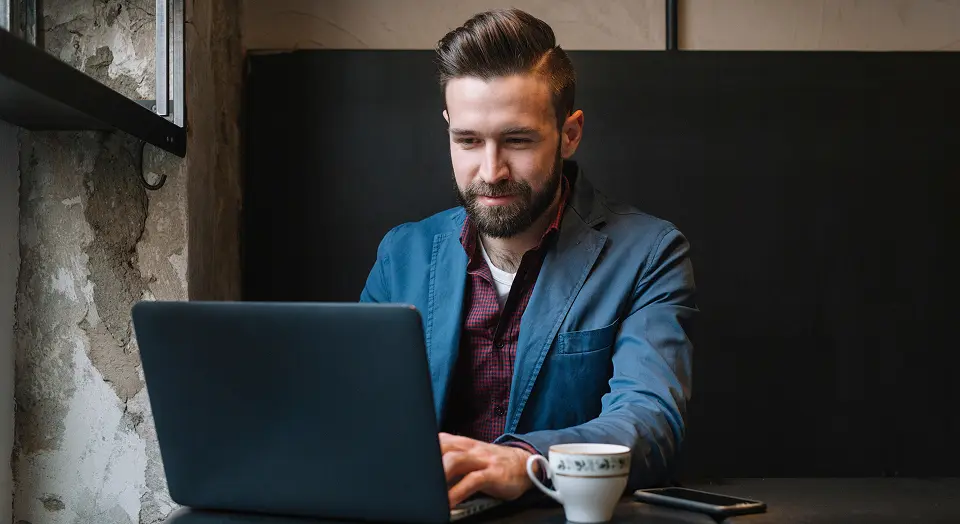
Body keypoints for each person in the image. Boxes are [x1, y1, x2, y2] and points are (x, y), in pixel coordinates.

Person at [360, 8, 697, 509]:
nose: (491, 171)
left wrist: (525, 461)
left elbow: (650, 422)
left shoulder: (650, 254)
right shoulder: (400, 255)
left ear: (570, 133)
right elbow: (358, 416)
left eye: (517, 140)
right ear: (448, 127)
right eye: (468, 141)